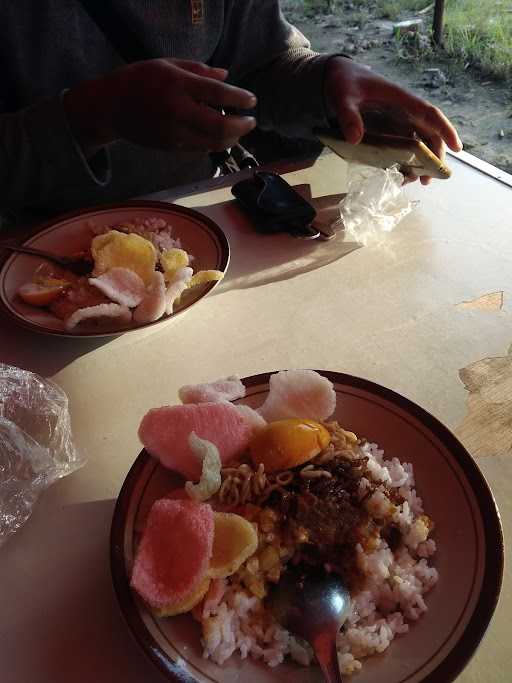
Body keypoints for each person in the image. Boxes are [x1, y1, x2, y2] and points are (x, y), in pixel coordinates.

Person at [0, 1, 461, 226]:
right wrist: (93, 116)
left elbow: (259, 64)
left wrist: (326, 81)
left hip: (208, 241)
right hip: (33, 270)